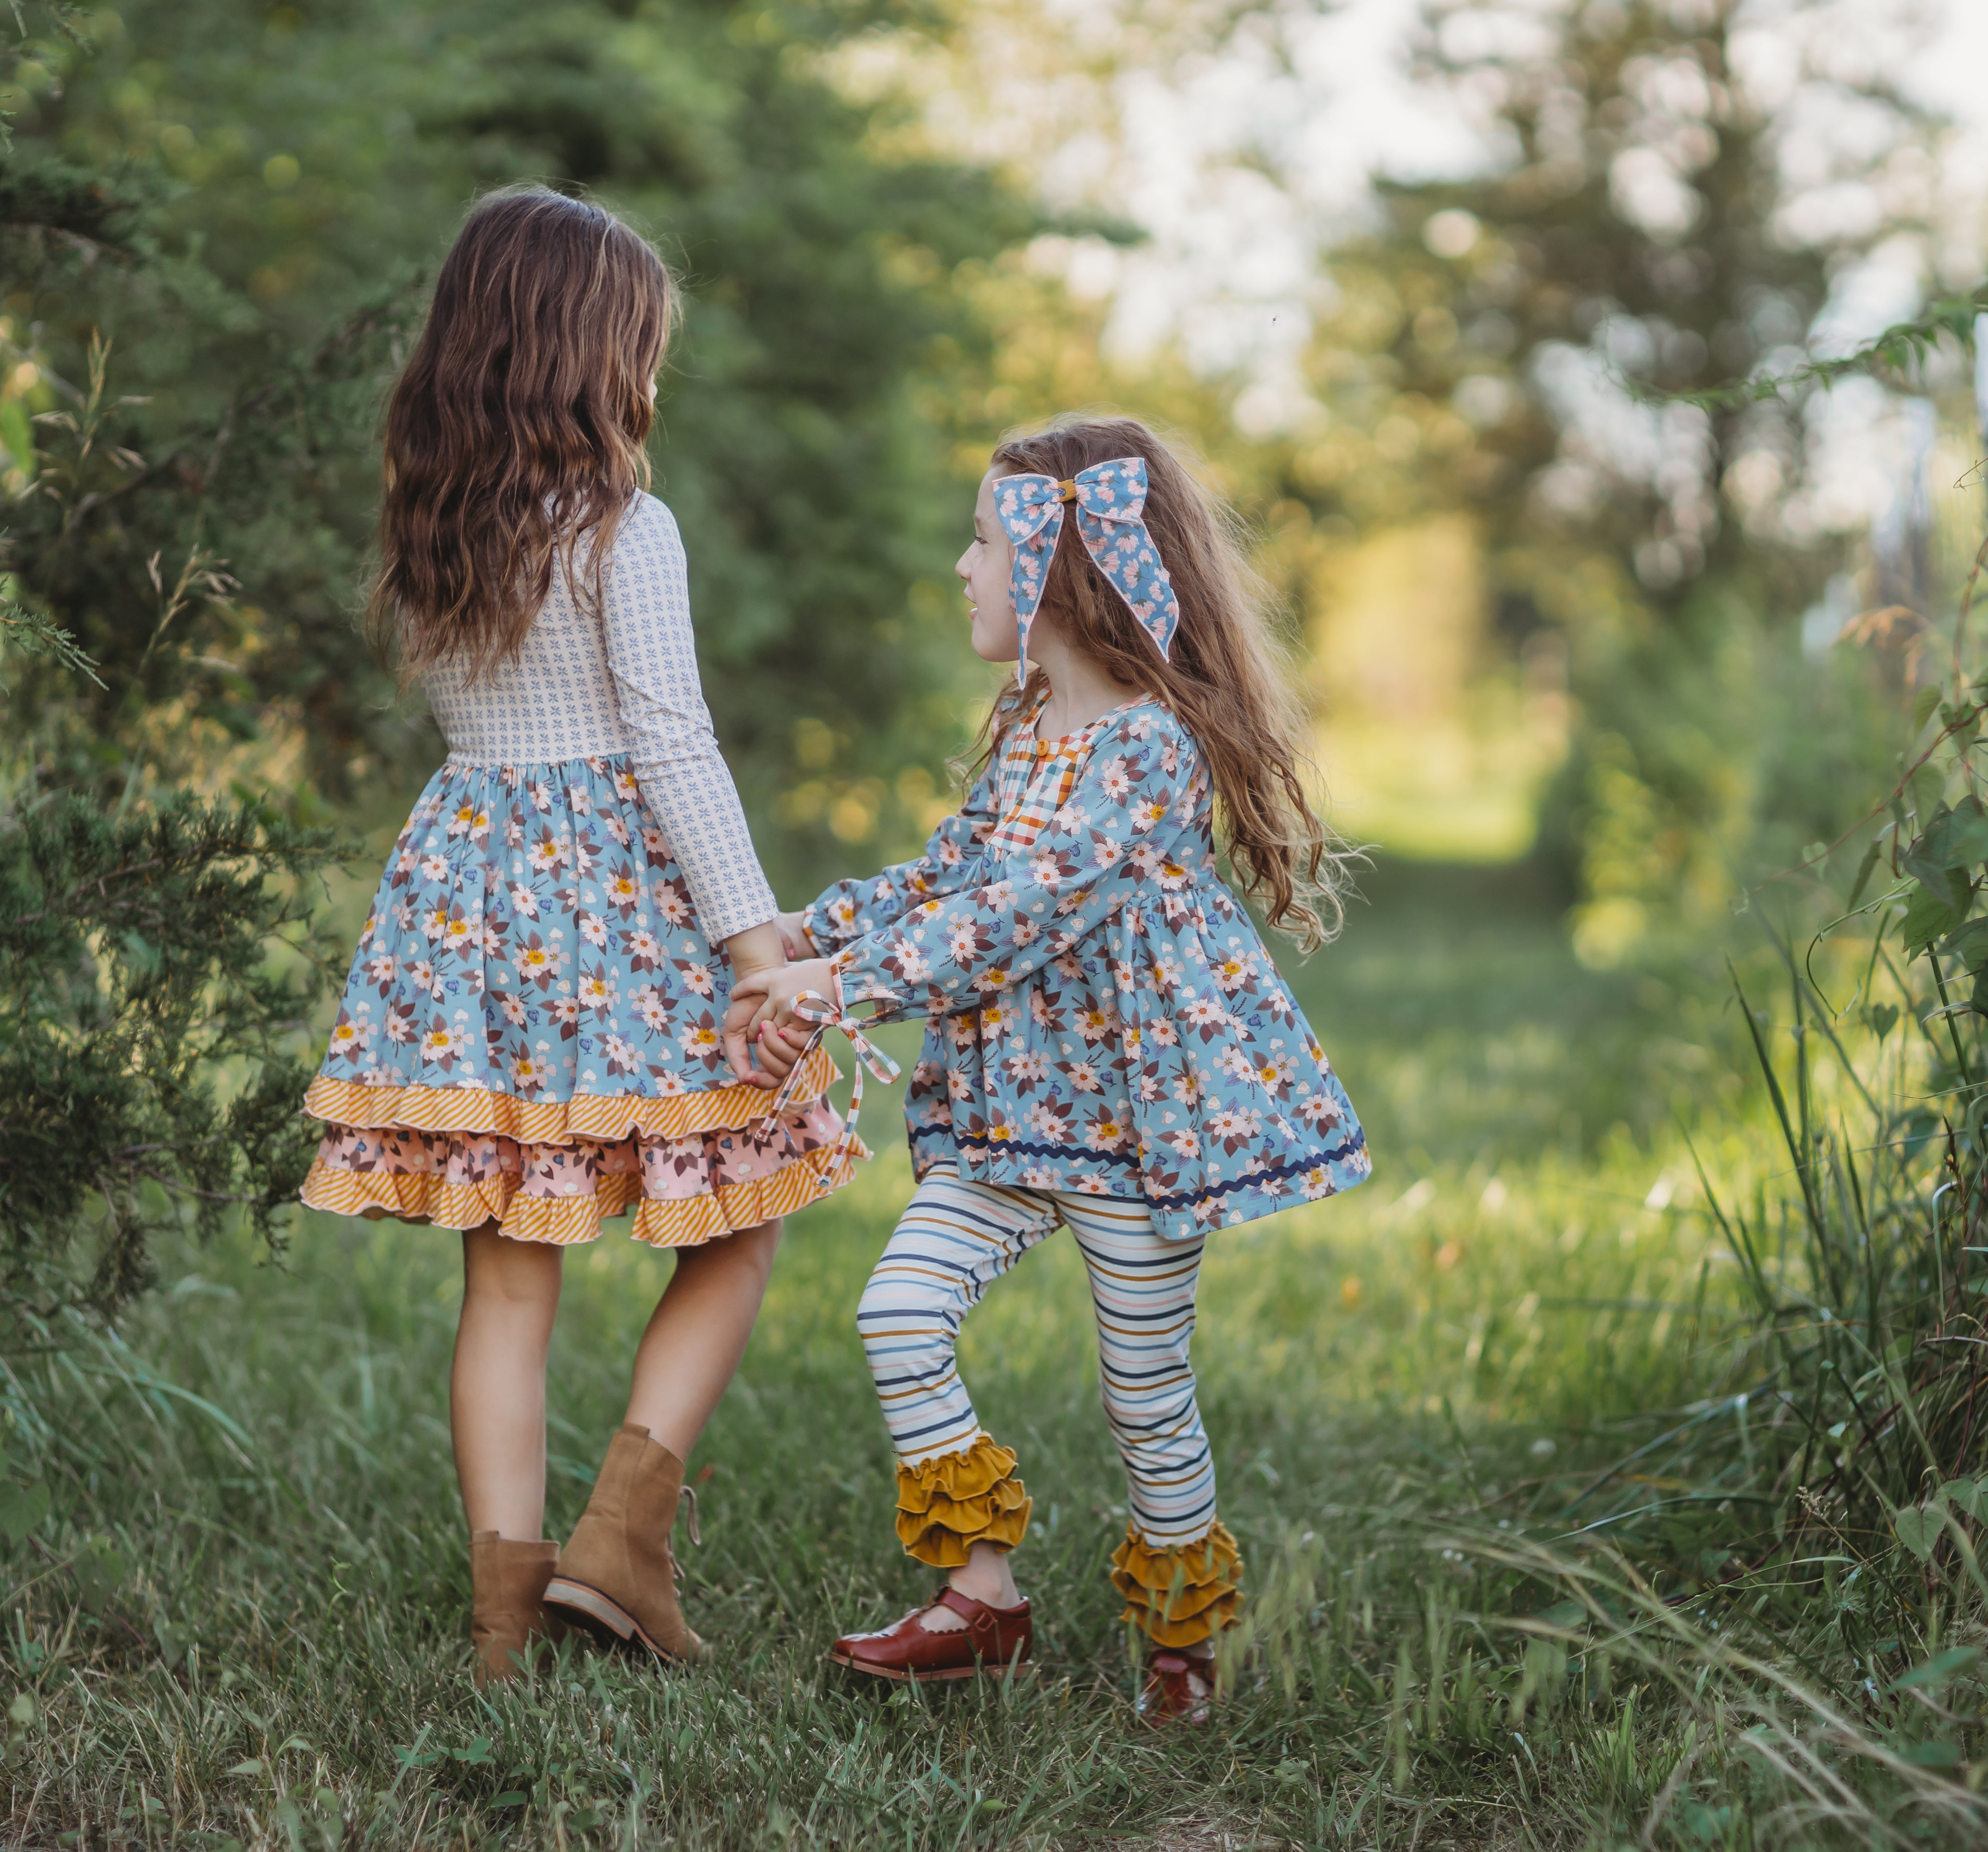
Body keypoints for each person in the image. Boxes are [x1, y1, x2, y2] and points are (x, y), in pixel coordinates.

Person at [721, 415, 1371, 1727]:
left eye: (980, 540)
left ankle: (1182, 1649)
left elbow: (1020, 910)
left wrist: (841, 989)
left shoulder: (1149, 749)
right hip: (1009, 1132)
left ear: (1055, 561)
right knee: (898, 1315)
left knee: (1147, 1402)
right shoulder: (1028, 723)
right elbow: (952, 871)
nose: (963, 568)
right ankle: (984, 1600)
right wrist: (811, 929)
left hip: (1133, 1134)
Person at [300, 188, 860, 1683]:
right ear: (587, 356)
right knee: (744, 1217)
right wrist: (753, 943)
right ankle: (621, 1539)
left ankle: (504, 1628)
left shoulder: (434, 531)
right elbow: (672, 747)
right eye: (642, 348)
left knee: (506, 1275)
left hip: (469, 898)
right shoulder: (628, 529)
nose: (650, 378)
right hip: (611, 902)